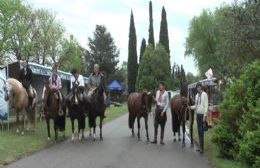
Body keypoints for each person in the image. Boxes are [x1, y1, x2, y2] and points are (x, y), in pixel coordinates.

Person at [190, 82, 208, 154]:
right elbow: (196, 106)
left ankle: (202, 148)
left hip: (202, 115)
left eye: (199, 87)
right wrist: (190, 107)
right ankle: (200, 147)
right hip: (197, 115)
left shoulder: (204, 95)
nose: (198, 88)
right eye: (197, 87)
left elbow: (206, 106)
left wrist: (205, 115)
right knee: (199, 130)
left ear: (201, 87)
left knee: (201, 131)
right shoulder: (197, 95)